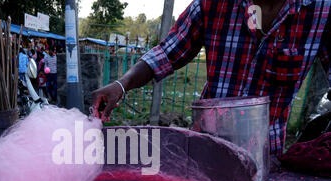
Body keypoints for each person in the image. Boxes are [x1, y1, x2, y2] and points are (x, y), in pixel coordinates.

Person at [92, 0, 331, 158]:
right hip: (205, 149)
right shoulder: (214, 3)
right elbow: (167, 52)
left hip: (266, 157)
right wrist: (122, 84)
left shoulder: (322, 10)